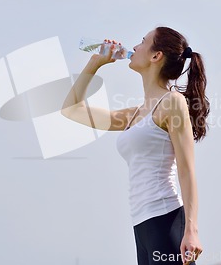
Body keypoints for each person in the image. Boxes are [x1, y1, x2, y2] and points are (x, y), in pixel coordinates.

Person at [61, 26, 209, 265]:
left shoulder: (172, 102)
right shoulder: (135, 115)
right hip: (142, 225)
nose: (135, 47)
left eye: (142, 42)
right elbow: (71, 110)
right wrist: (94, 64)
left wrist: (192, 230)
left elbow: (186, 169)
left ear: (155, 56)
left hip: (166, 218)